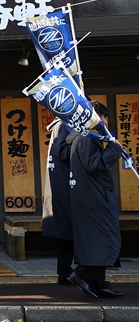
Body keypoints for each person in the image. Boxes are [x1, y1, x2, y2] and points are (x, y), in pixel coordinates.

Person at [66, 102, 124, 299]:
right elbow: (95, 164)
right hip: (96, 197)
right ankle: (82, 274)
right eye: (102, 117)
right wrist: (114, 149)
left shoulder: (82, 137)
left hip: (90, 195)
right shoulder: (87, 138)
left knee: (98, 238)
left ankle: (98, 283)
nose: (105, 121)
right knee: (104, 237)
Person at [42, 118, 74, 285]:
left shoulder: (60, 125)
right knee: (69, 230)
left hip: (60, 185)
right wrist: (82, 140)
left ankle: (65, 272)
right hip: (66, 186)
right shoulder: (64, 125)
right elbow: (62, 152)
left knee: (66, 232)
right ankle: (68, 272)